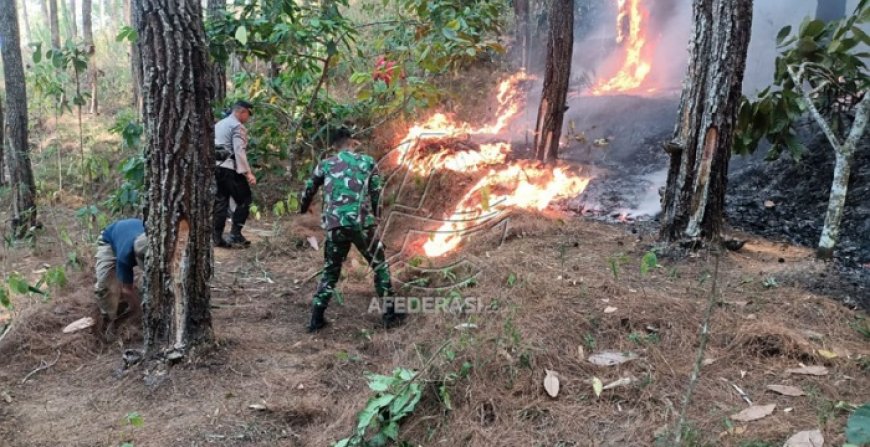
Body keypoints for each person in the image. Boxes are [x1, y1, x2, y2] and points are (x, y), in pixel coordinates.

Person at [299, 128, 403, 332]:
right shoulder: (367, 162)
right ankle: (390, 315)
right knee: (379, 266)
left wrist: (303, 208)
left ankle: (316, 319)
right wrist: (376, 218)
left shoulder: (326, 164)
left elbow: (308, 189)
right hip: (361, 223)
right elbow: (376, 194)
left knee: (331, 270)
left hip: (335, 224)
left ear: (333, 146)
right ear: (352, 143)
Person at [94, 218, 148, 339]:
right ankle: (109, 321)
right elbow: (126, 290)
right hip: (109, 240)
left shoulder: (154, 244)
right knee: (105, 287)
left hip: (134, 232)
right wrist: (139, 312)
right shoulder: (125, 255)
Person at [214, 100, 256, 248]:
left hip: (216, 168)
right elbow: (239, 151)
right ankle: (235, 235)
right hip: (229, 168)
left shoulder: (219, 124)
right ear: (242, 111)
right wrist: (248, 173)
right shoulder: (237, 126)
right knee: (245, 199)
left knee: (221, 202)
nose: (247, 119)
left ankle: (216, 237)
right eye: (248, 115)